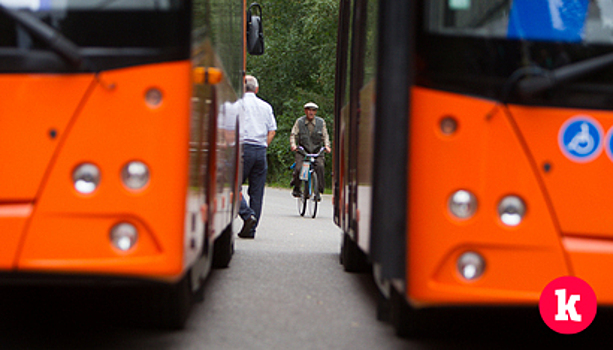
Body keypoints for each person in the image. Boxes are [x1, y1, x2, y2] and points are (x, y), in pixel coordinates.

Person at [237, 75, 277, 239]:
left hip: (242, 148)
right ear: (257, 89)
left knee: (231, 186)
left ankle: (247, 215)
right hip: (260, 150)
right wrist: (264, 146)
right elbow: (272, 131)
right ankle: (251, 230)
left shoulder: (237, 104)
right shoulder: (266, 106)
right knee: (257, 192)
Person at [290, 102, 331, 198]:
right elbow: (293, 134)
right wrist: (293, 145)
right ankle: (297, 187)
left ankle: (318, 190)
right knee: (299, 169)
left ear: (316, 112)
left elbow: (325, 136)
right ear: (305, 111)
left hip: (317, 151)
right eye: (309, 110)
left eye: (313, 110)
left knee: (320, 166)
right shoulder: (299, 122)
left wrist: (327, 146)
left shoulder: (321, 122)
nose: (311, 112)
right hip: (302, 151)